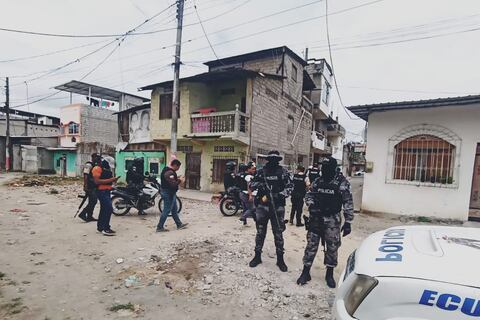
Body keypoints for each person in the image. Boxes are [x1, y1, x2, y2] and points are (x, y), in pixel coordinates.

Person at [297, 156, 354, 288]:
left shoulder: (342, 182)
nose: (324, 169)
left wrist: (348, 222)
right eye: (323, 167)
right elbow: (309, 194)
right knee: (311, 245)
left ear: (333, 168)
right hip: (316, 218)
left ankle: (329, 273)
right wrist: (311, 205)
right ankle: (306, 272)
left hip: (332, 220)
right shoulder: (318, 181)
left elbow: (348, 202)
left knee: (332, 247)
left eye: (327, 167)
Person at [249, 151, 293, 272]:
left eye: (275, 160)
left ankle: (280, 259)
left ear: (278, 160)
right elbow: (252, 185)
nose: (273, 162)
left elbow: (290, 187)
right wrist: (261, 185)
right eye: (271, 160)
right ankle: (257, 256)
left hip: (277, 207)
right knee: (260, 232)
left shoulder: (283, 172)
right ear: (268, 160)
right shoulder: (261, 171)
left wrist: (280, 195)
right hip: (263, 206)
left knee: (278, 233)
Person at [156, 159, 188, 232]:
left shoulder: (169, 171)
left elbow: (172, 181)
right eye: (178, 167)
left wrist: (178, 178)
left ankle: (179, 224)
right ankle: (159, 227)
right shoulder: (169, 173)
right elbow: (173, 184)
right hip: (168, 193)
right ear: (175, 165)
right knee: (166, 210)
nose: (178, 168)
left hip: (170, 193)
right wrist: (180, 180)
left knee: (174, 210)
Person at [92, 156, 120, 236]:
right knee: (109, 208)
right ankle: (106, 228)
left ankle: (100, 227)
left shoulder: (106, 169)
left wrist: (112, 184)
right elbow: (97, 181)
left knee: (104, 209)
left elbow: (106, 180)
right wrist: (111, 180)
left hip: (107, 191)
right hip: (101, 192)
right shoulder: (97, 168)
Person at [78, 153, 100, 222]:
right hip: (90, 186)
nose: (97, 159)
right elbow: (85, 175)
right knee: (93, 201)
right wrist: (85, 185)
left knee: (92, 201)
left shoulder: (94, 165)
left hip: (93, 185)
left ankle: (89, 216)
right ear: (93, 157)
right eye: (96, 157)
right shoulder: (88, 165)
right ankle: (83, 213)